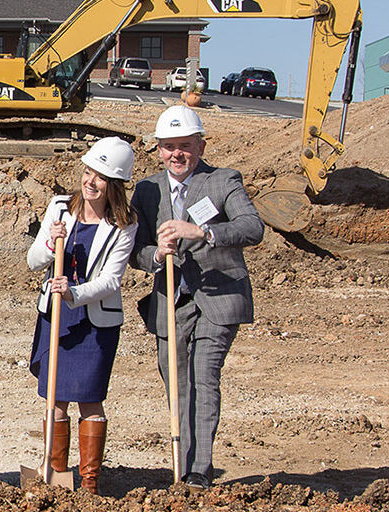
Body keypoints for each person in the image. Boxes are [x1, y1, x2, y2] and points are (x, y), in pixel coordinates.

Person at [129, 105, 263, 488]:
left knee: (204, 377)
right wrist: (155, 255)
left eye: (185, 146)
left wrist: (204, 233)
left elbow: (252, 228)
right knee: (177, 381)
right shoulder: (148, 190)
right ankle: (182, 461)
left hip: (218, 297)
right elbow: (134, 250)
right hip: (171, 299)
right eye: (169, 147)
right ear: (158, 150)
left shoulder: (223, 182)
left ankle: (198, 470)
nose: (177, 154)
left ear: (201, 146)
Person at [24, 137, 138, 493]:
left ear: (114, 185)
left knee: (90, 399)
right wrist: (49, 243)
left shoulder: (124, 223)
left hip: (93, 321)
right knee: (55, 397)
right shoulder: (59, 207)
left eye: (100, 176)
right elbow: (32, 262)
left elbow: (112, 280)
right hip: (56, 315)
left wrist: (74, 293)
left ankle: (88, 483)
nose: (90, 181)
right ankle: (57, 475)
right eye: (88, 171)